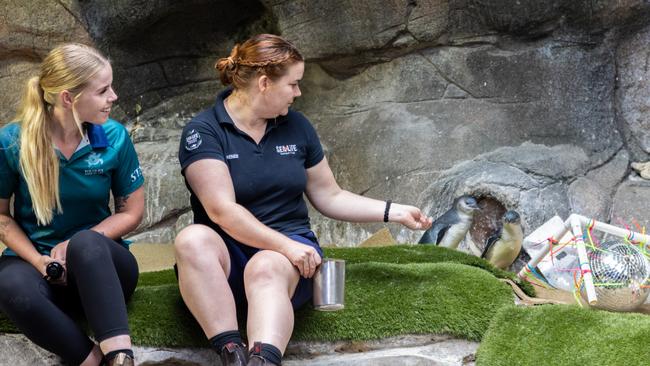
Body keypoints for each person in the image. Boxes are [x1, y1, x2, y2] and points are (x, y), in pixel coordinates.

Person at [175, 33, 432, 366]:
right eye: (294, 84)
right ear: (265, 83)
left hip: (284, 262)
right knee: (192, 239)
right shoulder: (205, 130)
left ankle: (262, 360)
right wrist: (286, 245)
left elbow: (330, 194)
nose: (298, 92)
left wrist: (393, 212)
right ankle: (231, 352)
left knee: (264, 265)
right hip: (229, 257)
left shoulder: (296, 126)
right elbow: (221, 211)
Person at [0, 43, 144, 366]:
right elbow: (1, 218)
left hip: (103, 266)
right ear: (68, 98)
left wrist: (77, 243)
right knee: (8, 283)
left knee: (86, 245)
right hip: (37, 266)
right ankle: (91, 360)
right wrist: (39, 261)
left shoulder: (113, 137)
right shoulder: (12, 142)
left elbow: (133, 211)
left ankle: (122, 358)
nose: (114, 97)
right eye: (103, 90)